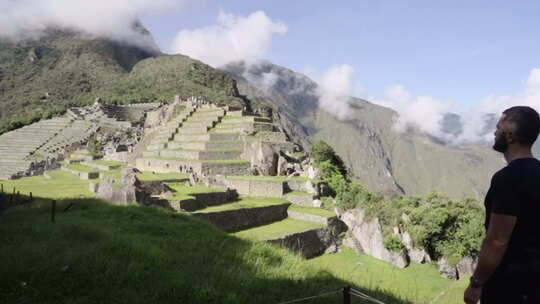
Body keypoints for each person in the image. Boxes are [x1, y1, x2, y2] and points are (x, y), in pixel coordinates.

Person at [464, 106, 540, 303]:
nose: (494, 132)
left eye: (498, 128)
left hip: (511, 286)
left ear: (510, 136)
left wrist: (476, 283)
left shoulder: (507, 179)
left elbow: (497, 241)